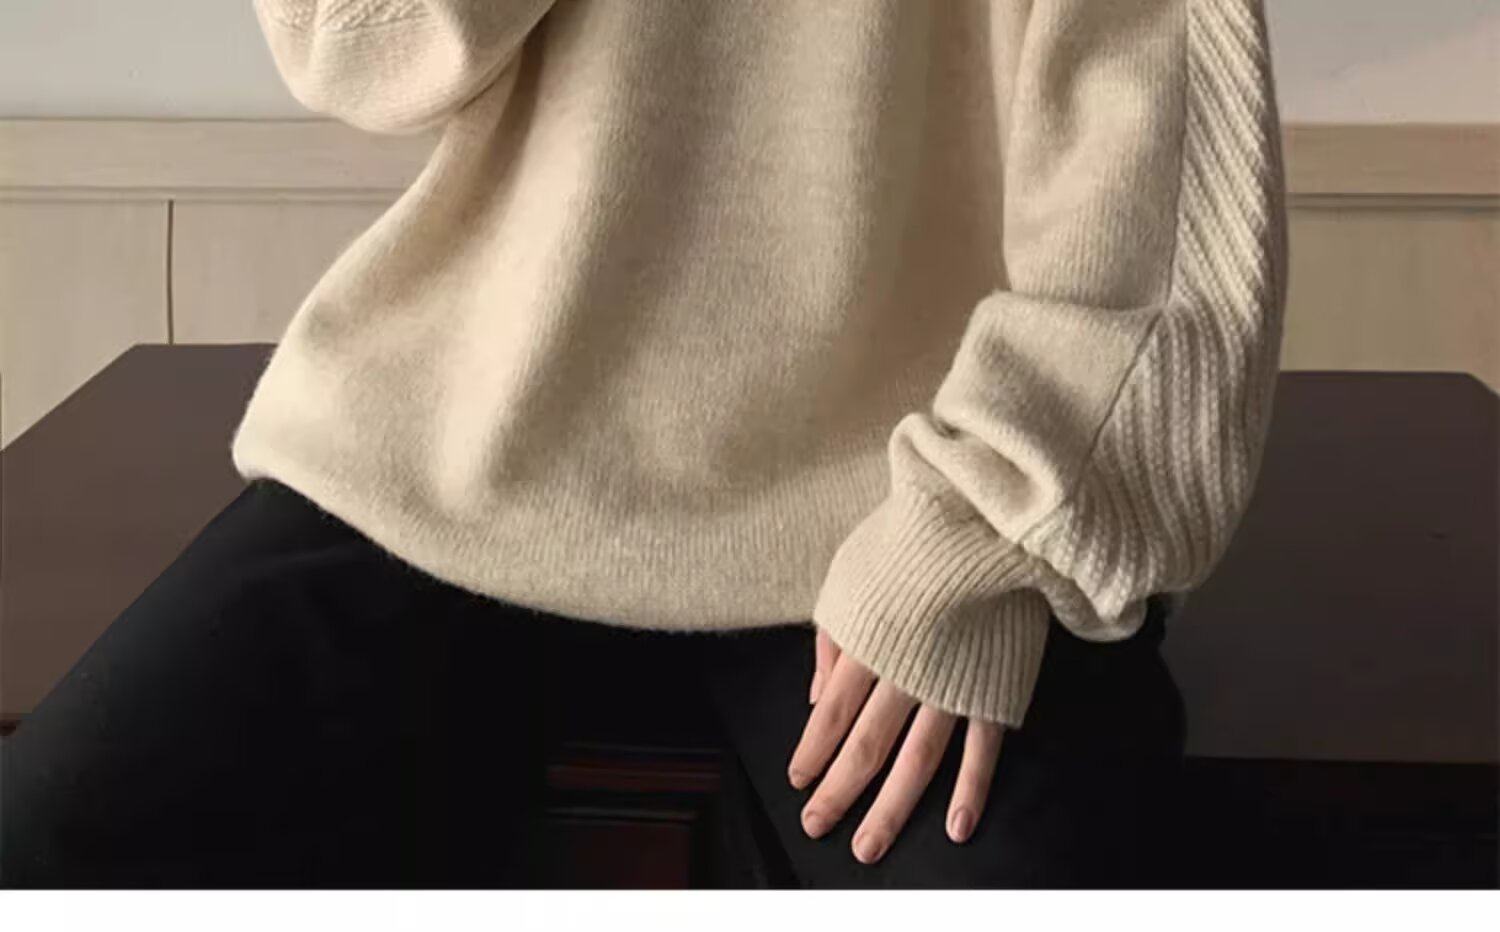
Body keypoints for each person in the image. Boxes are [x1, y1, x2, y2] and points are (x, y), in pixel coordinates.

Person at [1, 0, 1288, 889]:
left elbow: (1160, 232)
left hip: (888, 513)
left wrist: (971, 539)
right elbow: (360, 44)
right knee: (49, 850)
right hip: (467, 443)